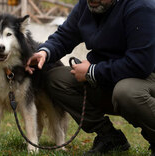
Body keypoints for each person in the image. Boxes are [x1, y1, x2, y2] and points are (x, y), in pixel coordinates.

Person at [25, 0, 155, 155]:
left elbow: (140, 64)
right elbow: (64, 36)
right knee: (56, 79)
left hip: (146, 77)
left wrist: (93, 71)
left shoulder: (141, 7)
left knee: (126, 92)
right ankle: (109, 136)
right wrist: (44, 52)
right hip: (109, 76)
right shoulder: (87, 5)